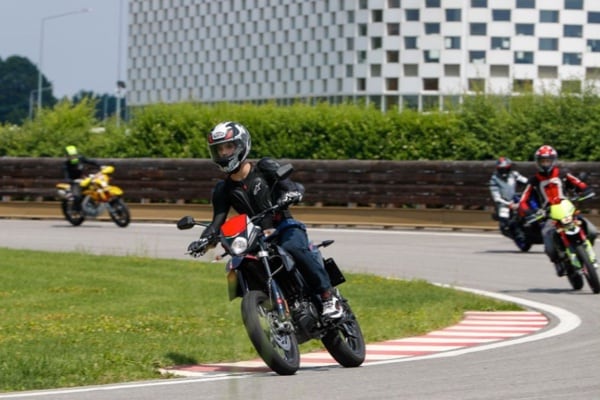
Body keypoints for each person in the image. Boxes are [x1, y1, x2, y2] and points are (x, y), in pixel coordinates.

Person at [188, 121, 343, 319]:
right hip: (255, 236)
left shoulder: (264, 167)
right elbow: (216, 223)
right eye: (219, 149)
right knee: (243, 263)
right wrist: (203, 241)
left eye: (229, 147)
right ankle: (270, 308)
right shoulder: (222, 189)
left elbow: (290, 185)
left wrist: (292, 193)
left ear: (242, 145)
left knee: (294, 247)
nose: (224, 153)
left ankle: (328, 296)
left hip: (284, 226)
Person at [518, 145, 597, 276]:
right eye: (542, 161)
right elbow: (523, 201)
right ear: (537, 162)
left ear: (553, 160)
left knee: (592, 231)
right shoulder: (534, 180)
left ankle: (586, 253)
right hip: (549, 215)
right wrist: (529, 212)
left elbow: (578, 183)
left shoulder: (562, 173)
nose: (545, 164)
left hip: (567, 210)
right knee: (549, 244)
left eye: (548, 161)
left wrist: (586, 190)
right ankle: (559, 262)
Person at [489, 157, 528, 243]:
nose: (504, 171)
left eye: (506, 169)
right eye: (501, 169)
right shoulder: (494, 179)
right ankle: (516, 234)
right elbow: (496, 197)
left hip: (515, 199)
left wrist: (532, 184)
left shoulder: (514, 174)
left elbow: (526, 181)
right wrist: (508, 204)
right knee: (505, 223)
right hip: (503, 203)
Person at [62, 145, 100, 211]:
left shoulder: (81, 158)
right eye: (71, 156)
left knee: (95, 186)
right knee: (77, 196)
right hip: (74, 181)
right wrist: (72, 181)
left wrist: (100, 165)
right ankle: (77, 209)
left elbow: (91, 161)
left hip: (84, 179)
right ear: (67, 156)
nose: (73, 157)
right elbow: (66, 177)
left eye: (74, 155)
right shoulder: (66, 165)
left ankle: (93, 203)